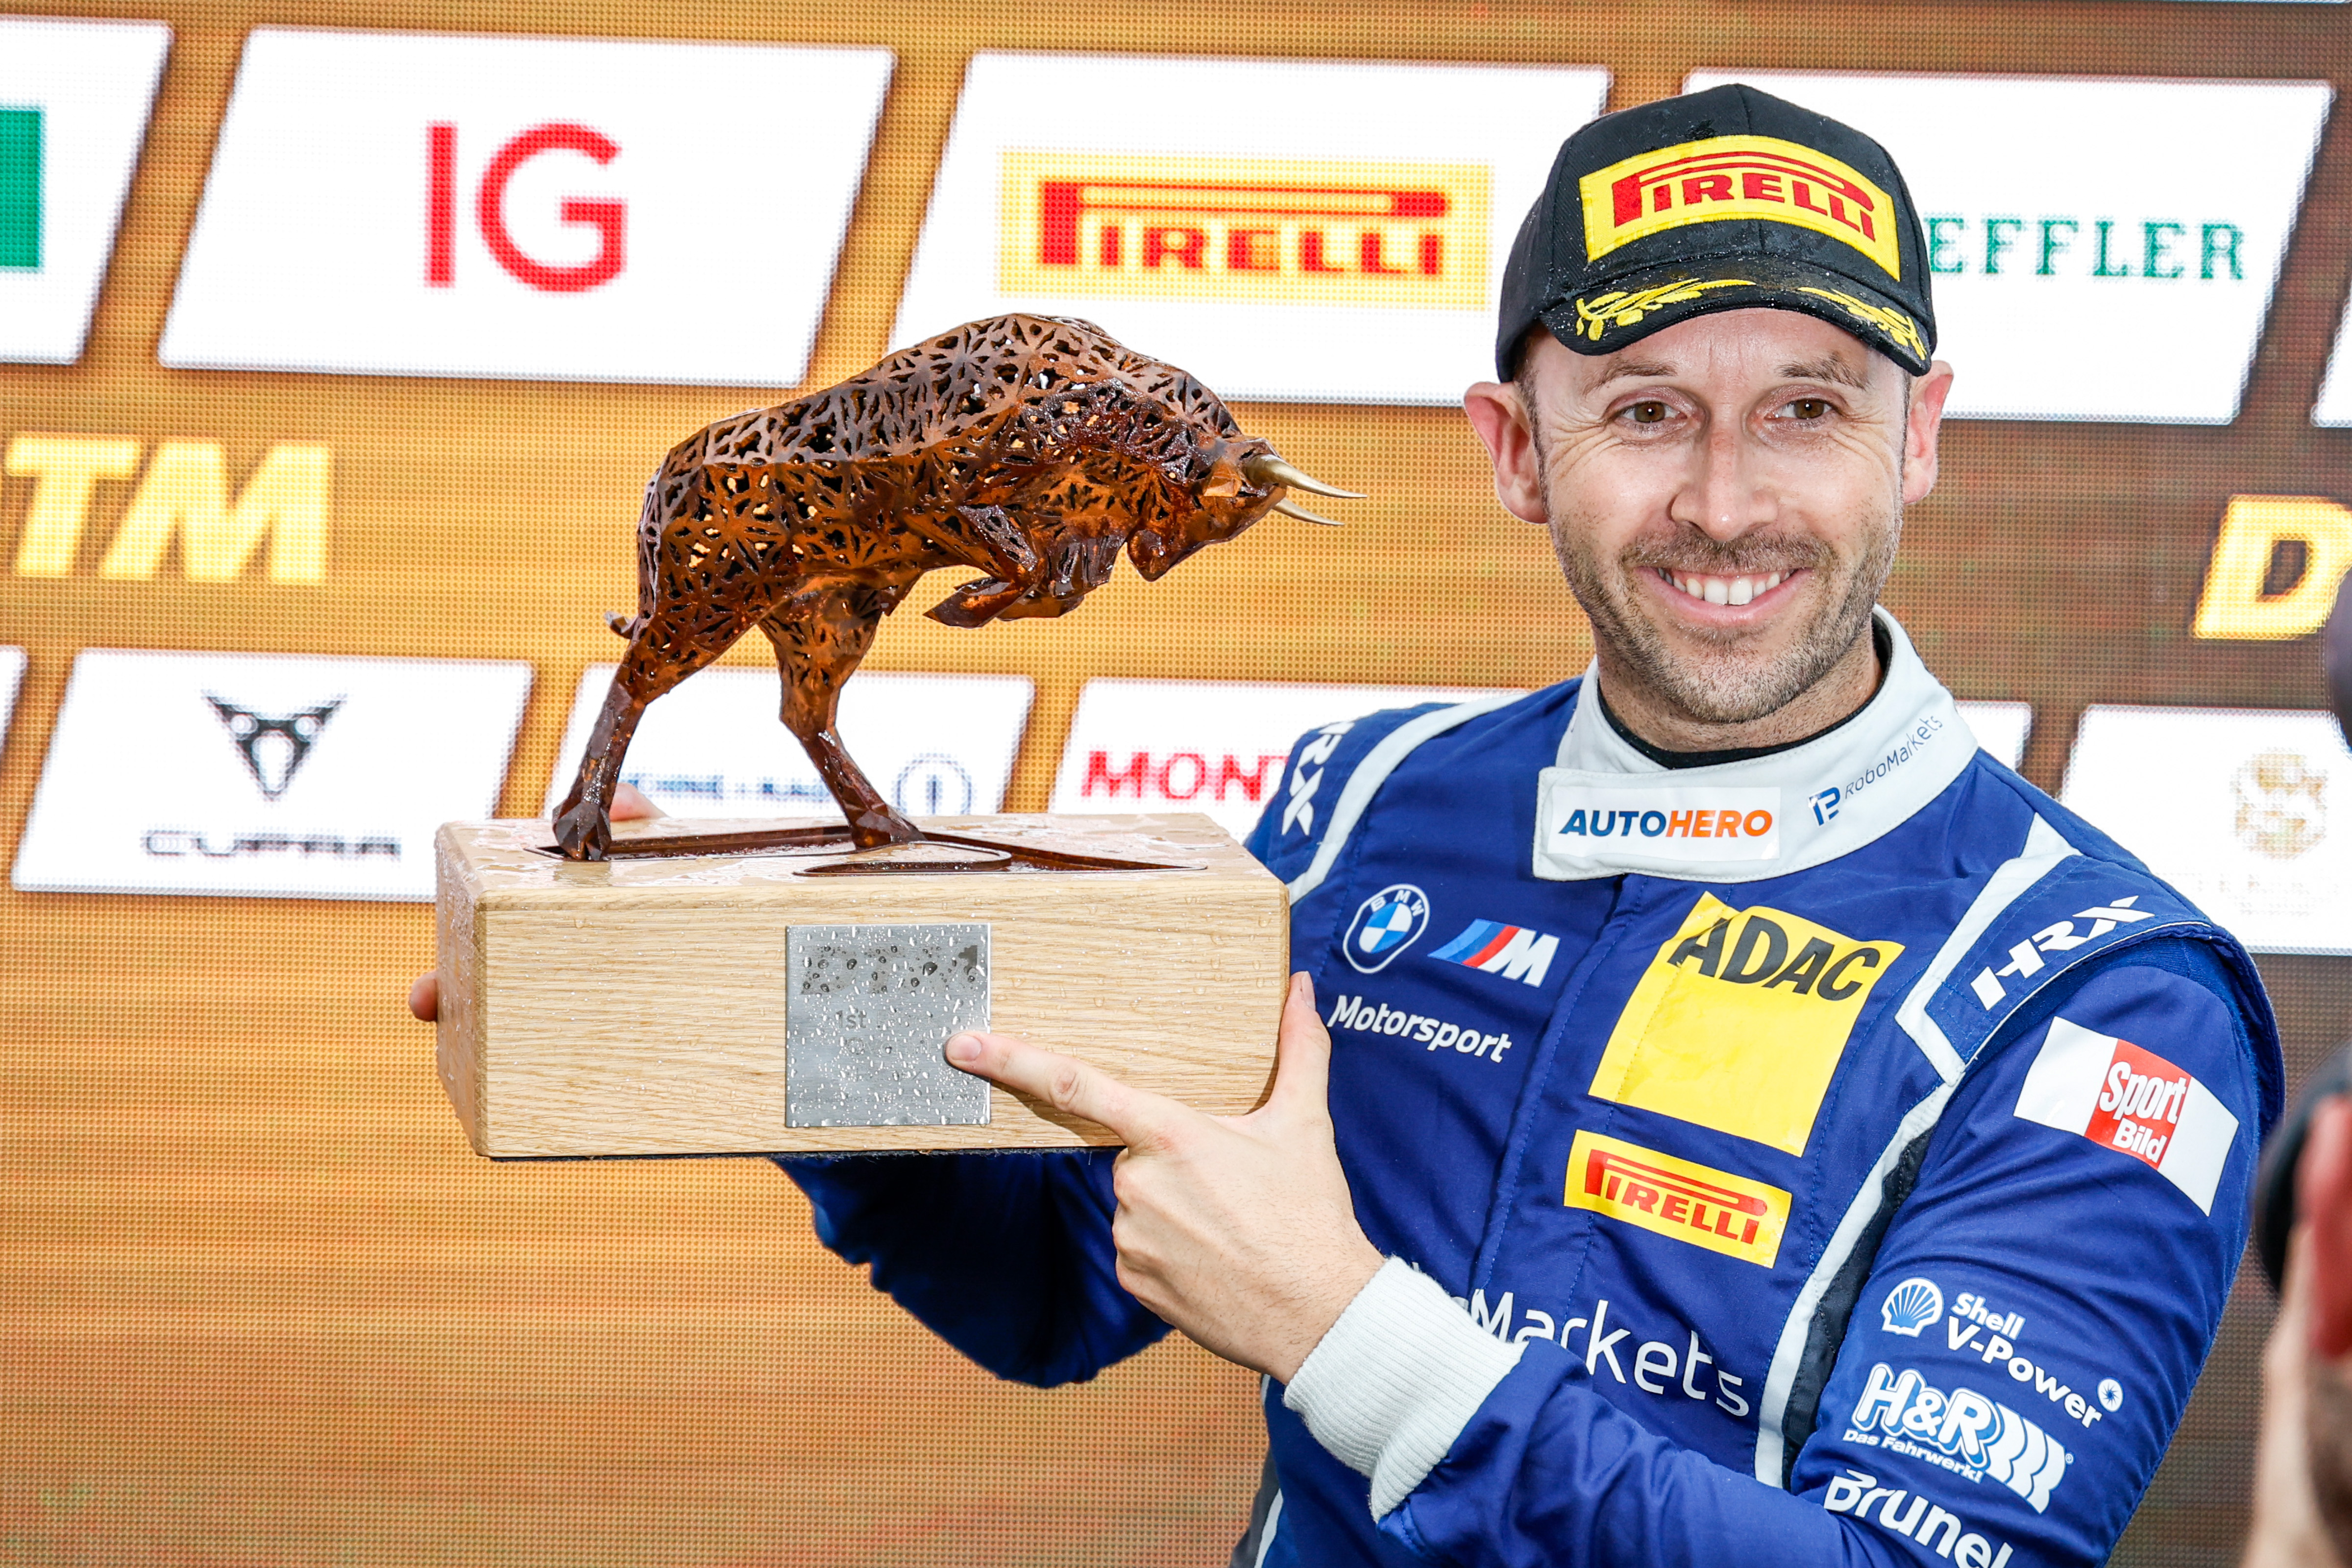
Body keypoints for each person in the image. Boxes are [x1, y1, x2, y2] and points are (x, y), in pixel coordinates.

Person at [415, 85, 2280, 1567]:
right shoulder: (1369, 803)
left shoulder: (2101, 1000)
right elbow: (1056, 1288)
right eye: (1644, 412)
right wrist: (768, 1001)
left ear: (1921, 436)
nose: (1727, 502)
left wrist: (1351, 1337)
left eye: (1808, 408)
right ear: (1516, 449)